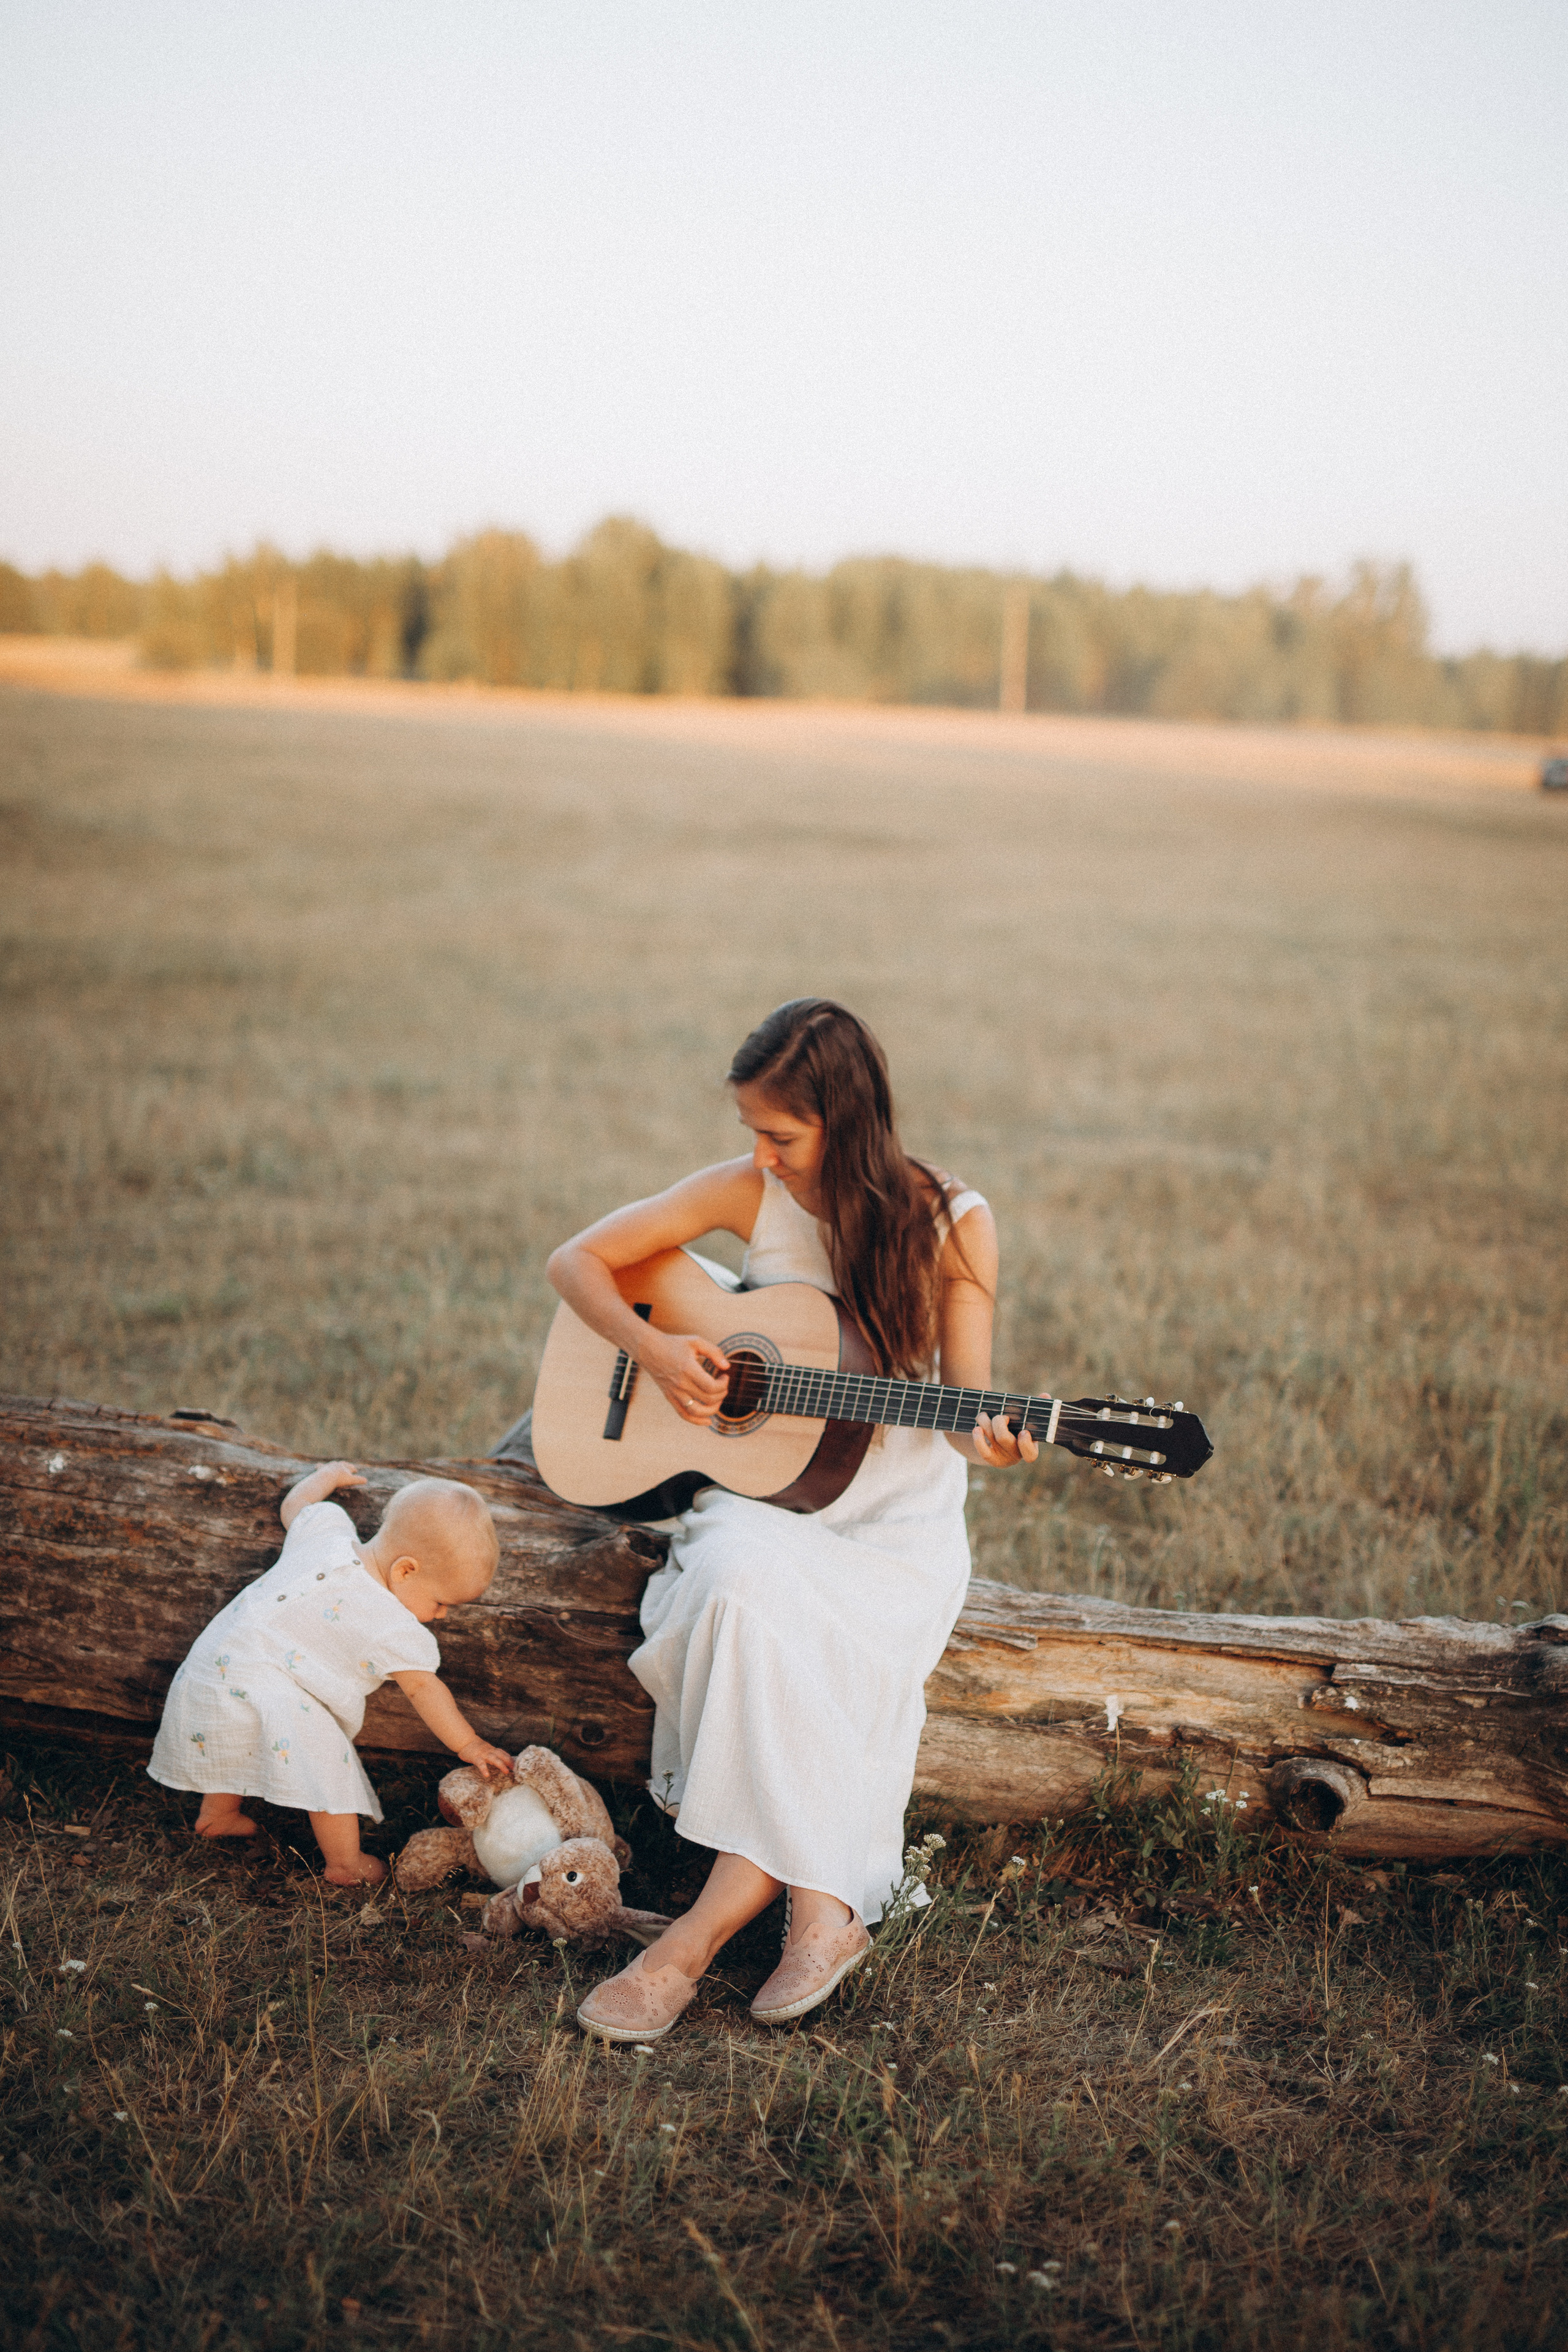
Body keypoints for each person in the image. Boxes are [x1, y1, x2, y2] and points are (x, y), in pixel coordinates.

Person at [546, 998, 1038, 2041]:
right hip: (768, 1501)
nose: (759, 1156)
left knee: (814, 1642)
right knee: (731, 1587)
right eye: (751, 1131)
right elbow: (578, 1262)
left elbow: (964, 1410)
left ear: (848, 1124)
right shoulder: (747, 1189)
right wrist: (660, 1354)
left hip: (894, 1531)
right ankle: (822, 1906)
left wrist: (989, 1435)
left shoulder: (953, 1222)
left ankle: (693, 1942)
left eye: (781, 1134)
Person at [148, 1463, 513, 1885]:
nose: (442, 1615)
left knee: (242, 1735)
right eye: (441, 1602)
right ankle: (345, 1864)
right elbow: (424, 1688)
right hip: (270, 1682)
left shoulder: (329, 1534)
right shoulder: (391, 1623)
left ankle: (218, 1814)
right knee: (327, 1766)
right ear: (405, 1571)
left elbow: (297, 1504)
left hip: (220, 1659)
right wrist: (468, 1743)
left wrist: (327, 1477)